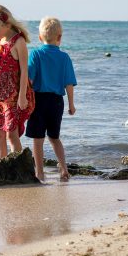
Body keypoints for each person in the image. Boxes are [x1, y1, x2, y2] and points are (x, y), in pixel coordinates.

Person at [25, 16, 77, 182]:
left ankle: (39, 172)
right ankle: (64, 169)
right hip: (56, 102)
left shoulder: (36, 54)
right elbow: (69, 83)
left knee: (38, 139)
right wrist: (71, 104)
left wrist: (22, 98)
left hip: (38, 100)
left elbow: (29, 80)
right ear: (60, 37)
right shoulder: (65, 57)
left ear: (40, 37)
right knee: (54, 137)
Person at [0, 5, 35, 158]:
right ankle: (0, 166)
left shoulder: (18, 42)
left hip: (14, 95)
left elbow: (24, 70)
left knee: (11, 135)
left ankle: (19, 167)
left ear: (7, 24)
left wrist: (22, 96)